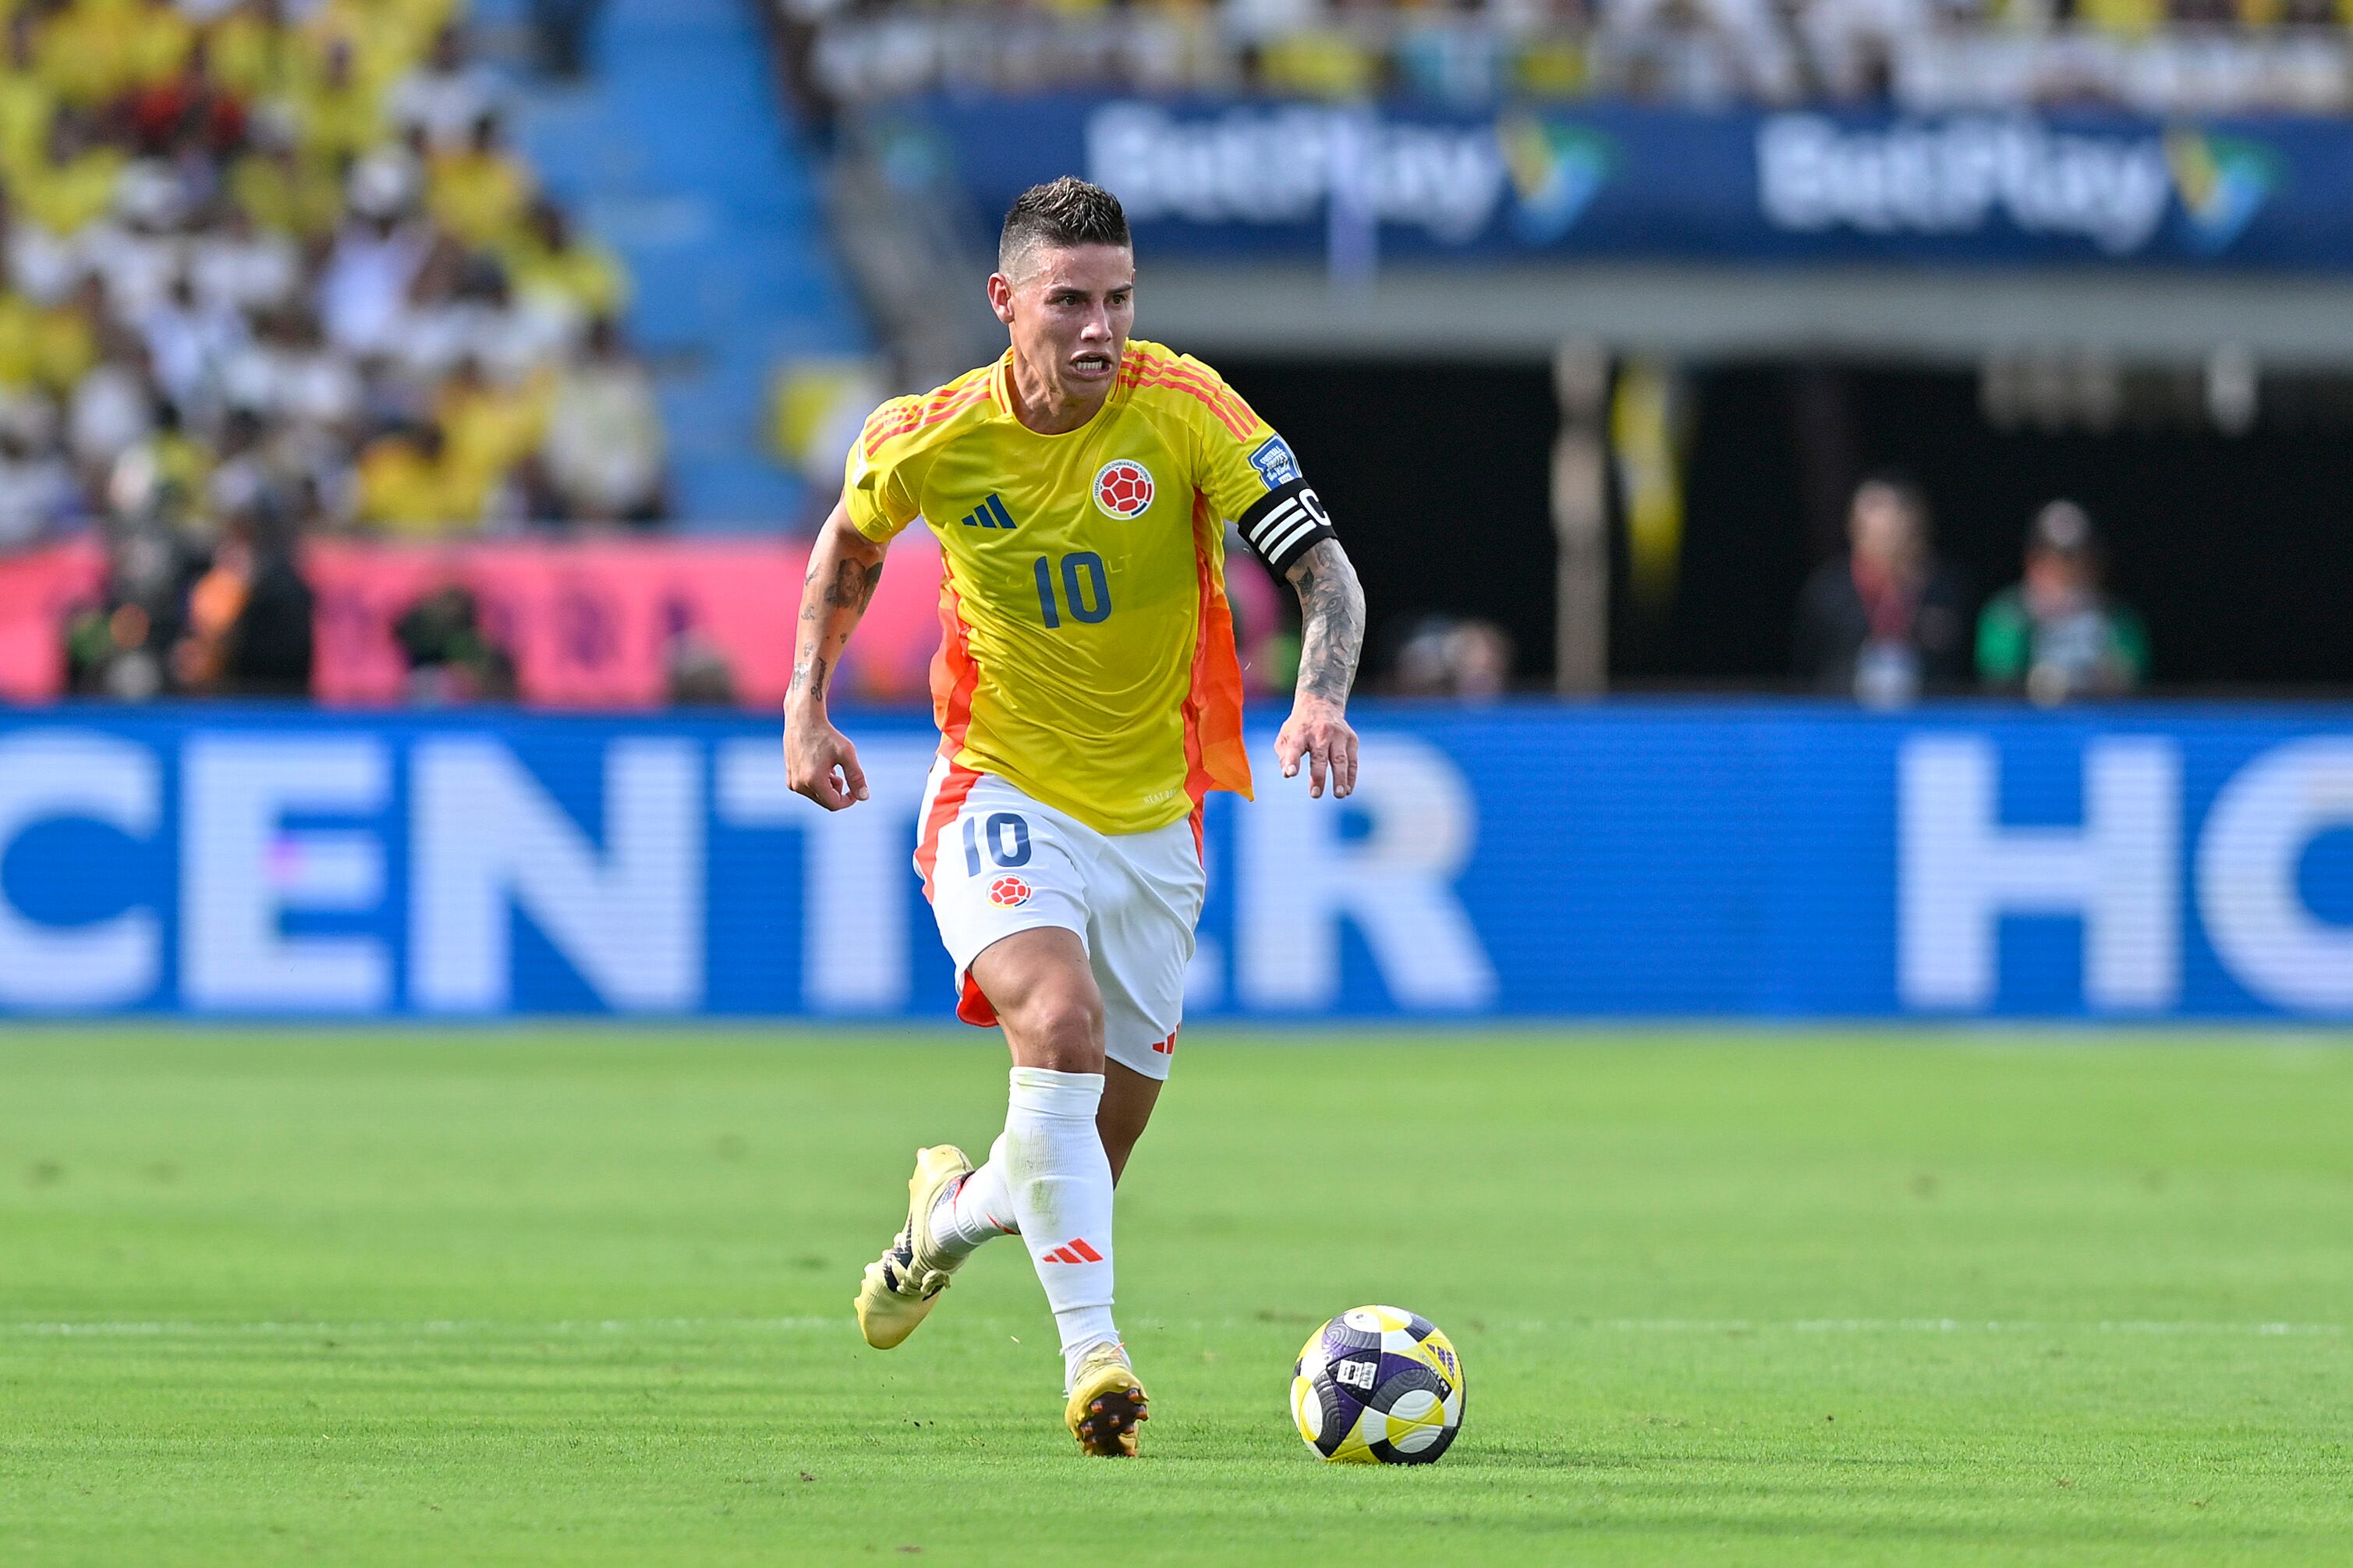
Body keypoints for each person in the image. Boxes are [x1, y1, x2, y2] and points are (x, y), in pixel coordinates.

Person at [782, 177, 1365, 1457]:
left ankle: (945, 1216)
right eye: (1069, 302)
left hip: (1157, 822)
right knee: (1056, 1022)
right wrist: (804, 706)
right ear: (1006, 304)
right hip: (997, 785)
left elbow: (1323, 570)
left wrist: (1320, 697)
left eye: (1117, 299)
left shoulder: (1186, 409)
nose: (1099, 327)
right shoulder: (930, 434)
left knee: (1078, 1157)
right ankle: (1094, 1361)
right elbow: (850, 543)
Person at [1792, 473, 1969, 706]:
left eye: (1890, 519)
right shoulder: (1829, 589)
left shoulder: (1946, 588)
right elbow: (1806, 667)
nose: (1880, 530)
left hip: (1926, 725)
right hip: (1843, 724)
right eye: (1867, 518)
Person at [1978, 500, 2149, 704]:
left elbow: (2133, 681)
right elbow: (1998, 678)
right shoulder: (2006, 615)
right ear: (2032, 562)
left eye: (2078, 559)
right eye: (2056, 559)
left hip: (2095, 721)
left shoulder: (2117, 618)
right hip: (2029, 726)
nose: (2069, 571)